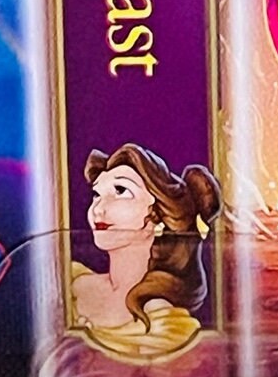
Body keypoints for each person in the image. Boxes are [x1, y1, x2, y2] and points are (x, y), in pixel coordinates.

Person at [73, 142, 218, 336]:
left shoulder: (162, 321)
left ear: (158, 214)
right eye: (96, 194)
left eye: (120, 191)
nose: (98, 209)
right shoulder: (72, 279)